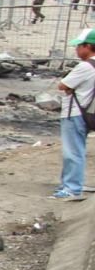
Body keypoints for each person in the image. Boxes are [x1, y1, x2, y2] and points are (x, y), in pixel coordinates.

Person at [54, 29, 95, 200]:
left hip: (76, 112)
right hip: (89, 112)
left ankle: (72, 187)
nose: (76, 50)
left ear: (88, 46)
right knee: (77, 149)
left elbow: (63, 85)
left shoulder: (85, 66)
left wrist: (70, 87)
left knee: (72, 151)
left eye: (79, 46)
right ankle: (70, 183)